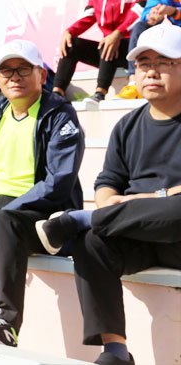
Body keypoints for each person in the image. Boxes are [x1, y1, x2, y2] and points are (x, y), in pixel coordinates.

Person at [35, 23, 181, 365]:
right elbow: (107, 182)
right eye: (143, 64)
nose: (151, 72)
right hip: (137, 235)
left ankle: (82, 219)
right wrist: (113, 203)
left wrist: (148, 199)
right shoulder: (128, 125)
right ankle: (115, 350)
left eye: (163, 62)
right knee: (91, 242)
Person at [0, 39, 85, 347]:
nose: (14, 77)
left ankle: (4, 321)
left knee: (4, 221)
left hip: (44, 216)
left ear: (42, 75)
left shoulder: (60, 115)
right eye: (6, 71)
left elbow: (58, 183)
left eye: (23, 69)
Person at [52, 0, 149, 103]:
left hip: (132, 51)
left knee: (109, 42)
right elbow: (87, 18)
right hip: (108, 51)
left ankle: (99, 93)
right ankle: (57, 94)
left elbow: (138, 15)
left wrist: (117, 34)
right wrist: (69, 31)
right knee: (71, 44)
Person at [117, 0, 181, 99]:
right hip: (174, 32)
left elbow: (173, 12)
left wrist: (174, 12)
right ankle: (134, 81)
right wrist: (153, 16)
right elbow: (148, 9)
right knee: (141, 27)